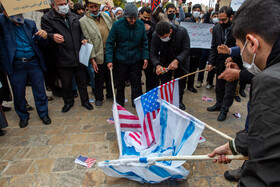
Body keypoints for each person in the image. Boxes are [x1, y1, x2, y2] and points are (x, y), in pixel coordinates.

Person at [208, 0, 280, 186]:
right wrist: (236, 146)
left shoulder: (270, 81)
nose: (240, 54)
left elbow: (265, 172)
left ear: (252, 43)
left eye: (240, 48)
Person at [0, 9, 51, 128]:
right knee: (18, 92)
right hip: (16, 65)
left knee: (39, 90)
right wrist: (6, 11)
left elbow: (40, 43)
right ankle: (23, 116)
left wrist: (43, 37)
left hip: (33, 62)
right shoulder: (3, 23)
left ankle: (43, 113)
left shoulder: (30, 23)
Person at [41, 0, 93, 113]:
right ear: (53, 6)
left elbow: (81, 32)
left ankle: (85, 101)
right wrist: (52, 36)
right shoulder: (47, 18)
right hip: (62, 57)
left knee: (82, 82)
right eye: (60, 4)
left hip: (79, 55)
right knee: (66, 82)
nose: (64, 6)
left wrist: (83, 38)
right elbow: (45, 35)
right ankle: (68, 102)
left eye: (65, 3)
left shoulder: (74, 16)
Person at [105, 3, 149, 107]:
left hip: (136, 59)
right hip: (121, 59)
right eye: (130, 18)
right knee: (120, 83)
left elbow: (145, 42)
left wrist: (145, 57)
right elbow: (110, 43)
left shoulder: (140, 25)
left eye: (135, 18)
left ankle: (136, 102)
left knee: (136, 83)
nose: (133, 20)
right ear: (125, 16)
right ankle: (120, 103)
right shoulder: (117, 25)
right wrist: (109, 60)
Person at [79, 0, 114, 108]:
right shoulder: (83, 21)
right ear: (88, 8)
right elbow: (88, 39)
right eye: (91, 7)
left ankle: (110, 94)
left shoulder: (105, 15)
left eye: (96, 6)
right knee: (99, 77)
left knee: (110, 75)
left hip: (109, 51)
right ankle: (99, 97)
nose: (94, 9)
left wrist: (111, 11)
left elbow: (114, 25)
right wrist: (92, 59)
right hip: (97, 53)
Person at [206, 6, 238, 121]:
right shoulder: (216, 29)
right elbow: (213, 47)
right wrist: (210, 62)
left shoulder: (238, 29)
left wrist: (232, 58)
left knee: (229, 88)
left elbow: (241, 47)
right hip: (220, 62)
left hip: (233, 63)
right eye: (219, 19)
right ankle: (219, 104)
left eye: (223, 20)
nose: (220, 22)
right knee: (219, 85)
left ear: (231, 17)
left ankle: (224, 109)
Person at [150, 21, 190, 110]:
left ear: (170, 31)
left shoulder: (182, 32)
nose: (162, 39)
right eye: (160, 37)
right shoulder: (155, 35)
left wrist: (177, 60)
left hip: (180, 61)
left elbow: (186, 49)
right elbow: (153, 52)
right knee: (165, 84)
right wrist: (157, 65)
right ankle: (166, 102)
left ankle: (179, 102)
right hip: (164, 62)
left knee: (180, 84)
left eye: (164, 37)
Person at [139, 6, 158, 92]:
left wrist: (151, 30)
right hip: (138, 54)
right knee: (136, 78)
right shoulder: (136, 23)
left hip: (149, 55)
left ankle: (149, 93)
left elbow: (157, 36)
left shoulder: (153, 24)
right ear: (140, 14)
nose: (146, 19)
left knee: (150, 77)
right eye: (144, 17)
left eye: (148, 18)